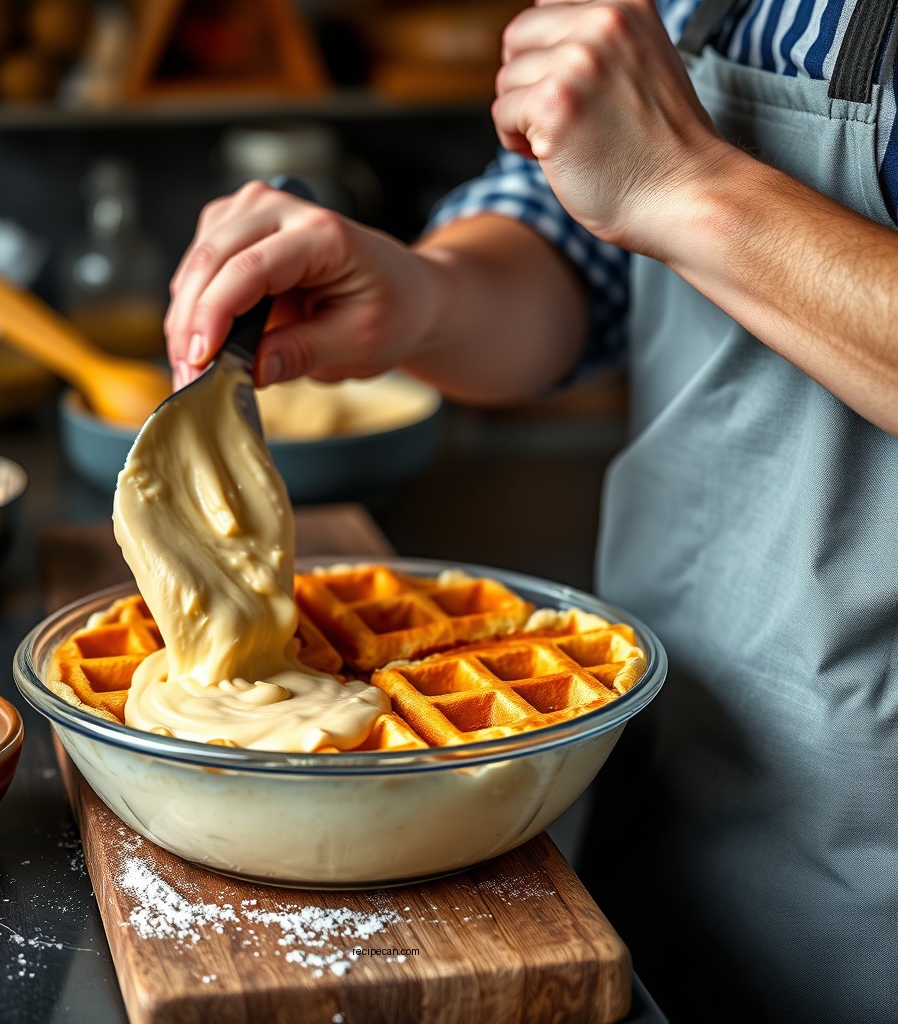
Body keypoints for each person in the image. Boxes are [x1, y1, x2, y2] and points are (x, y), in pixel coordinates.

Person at [164, 1, 898, 1019]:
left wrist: (689, 185)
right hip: (659, 762)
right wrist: (424, 293)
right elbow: (594, 249)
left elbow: (656, 184)